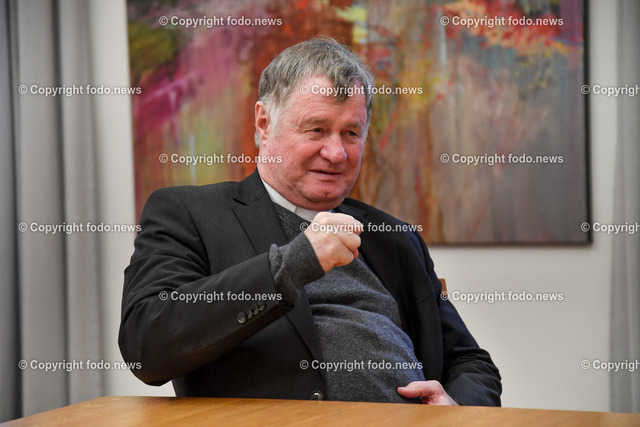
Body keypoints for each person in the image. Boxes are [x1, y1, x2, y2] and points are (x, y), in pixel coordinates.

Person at [119, 37, 501, 406]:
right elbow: (146, 345)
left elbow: (470, 362)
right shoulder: (190, 214)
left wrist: (456, 410)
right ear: (264, 123)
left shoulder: (393, 238)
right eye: (316, 129)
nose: (336, 153)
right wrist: (295, 262)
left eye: (350, 133)